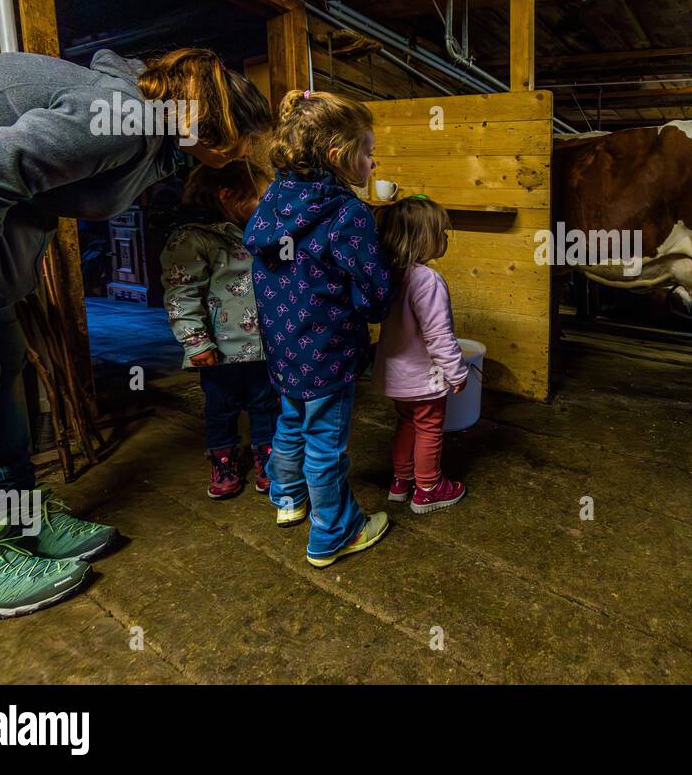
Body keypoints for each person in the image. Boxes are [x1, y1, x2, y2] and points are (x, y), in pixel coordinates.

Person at [0, 47, 271, 623]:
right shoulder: (121, 116)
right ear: (214, 121)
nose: (244, 152)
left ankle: (15, 517)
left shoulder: (150, 136)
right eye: (244, 136)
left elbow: (23, 201)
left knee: (6, 360)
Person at [244, 89, 395, 569]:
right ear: (338, 156)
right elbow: (372, 290)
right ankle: (334, 533)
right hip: (328, 348)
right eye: (368, 153)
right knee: (327, 441)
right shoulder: (347, 214)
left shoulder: (273, 201)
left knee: (291, 420)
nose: (373, 163)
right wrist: (376, 303)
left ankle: (288, 499)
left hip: (283, 345)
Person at [160, 160, 278, 500]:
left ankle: (268, 460)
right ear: (227, 196)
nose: (266, 205)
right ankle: (223, 460)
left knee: (266, 404)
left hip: (260, 348)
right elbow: (181, 293)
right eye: (260, 197)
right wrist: (196, 343)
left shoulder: (251, 233)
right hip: (220, 352)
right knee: (221, 407)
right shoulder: (191, 239)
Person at [370, 196, 469, 514]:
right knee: (429, 426)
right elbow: (439, 336)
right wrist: (457, 372)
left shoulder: (393, 276)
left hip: (396, 375)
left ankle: (401, 481)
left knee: (407, 422)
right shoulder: (429, 281)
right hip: (424, 378)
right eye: (441, 232)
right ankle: (428, 488)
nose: (445, 238)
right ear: (425, 239)